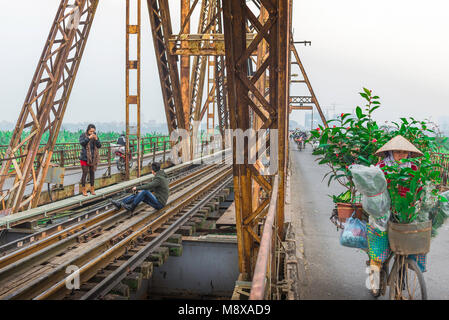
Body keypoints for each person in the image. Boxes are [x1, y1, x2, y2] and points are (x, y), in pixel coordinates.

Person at [79, 124, 101, 196]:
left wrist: (96, 139)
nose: (92, 133)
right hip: (84, 157)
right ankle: (84, 190)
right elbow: (82, 143)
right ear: (88, 130)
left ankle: (92, 189)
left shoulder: (95, 136)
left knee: (92, 173)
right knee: (85, 173)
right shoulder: (83, 135)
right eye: (91, 131)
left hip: (93, 158)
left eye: (93, 131)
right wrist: (89, 138)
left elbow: (99, 146)